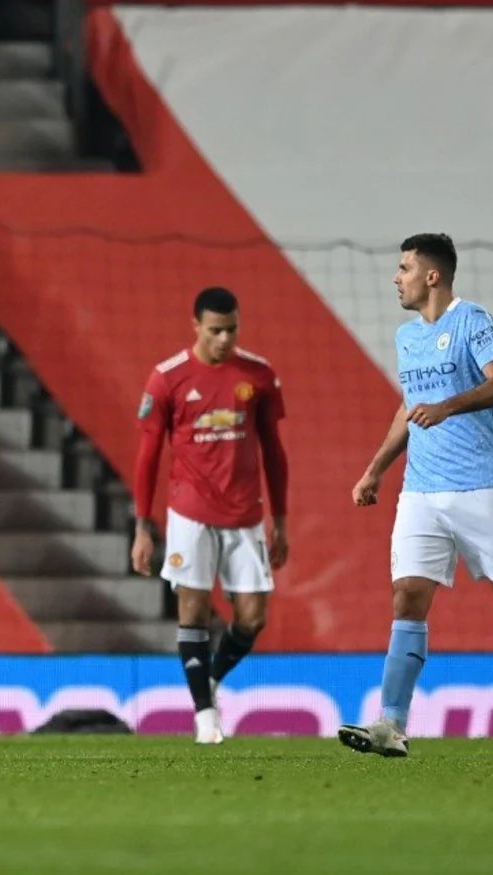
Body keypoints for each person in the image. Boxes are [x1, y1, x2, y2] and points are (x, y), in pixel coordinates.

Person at [337, 233, 493, 759]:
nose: (395, 277)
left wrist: (447, 407)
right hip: (421, 492)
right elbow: (409, 409)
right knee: (407, 595)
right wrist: (375, 470)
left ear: (432, 275)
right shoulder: (407, 337)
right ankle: (392, 725)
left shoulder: (471, 320)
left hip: (482, 488)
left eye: (403, 267)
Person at [130, 287, 290, 745]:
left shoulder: (257, 375)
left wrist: (281, 517)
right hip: (190, 514)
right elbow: (147, 456)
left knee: (253, 617)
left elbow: (274, 453)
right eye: (216, 330)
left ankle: (211, 681)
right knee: (193, 608)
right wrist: (143, 526)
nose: (224, 339)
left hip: (245, 514)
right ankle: (204, 715)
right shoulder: (167, 378)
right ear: (196, 326)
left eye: (232, 329)